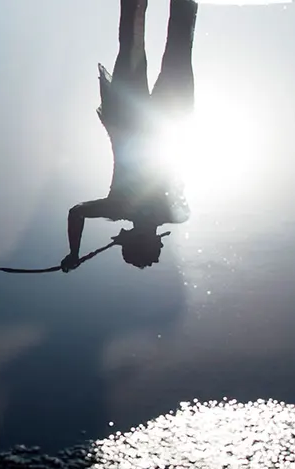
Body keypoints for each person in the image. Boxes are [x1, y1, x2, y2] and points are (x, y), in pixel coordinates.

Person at [62, 0, 197, 272]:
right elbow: (76, 212)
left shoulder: (173, 215)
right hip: (136, 121)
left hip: (158, 122)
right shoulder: (120, 209)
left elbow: (77, 211)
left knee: (175, 46)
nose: (160, 252)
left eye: (154, 251)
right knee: (136, 43)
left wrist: (77, 251)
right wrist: (73, 252)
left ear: (146, 241)